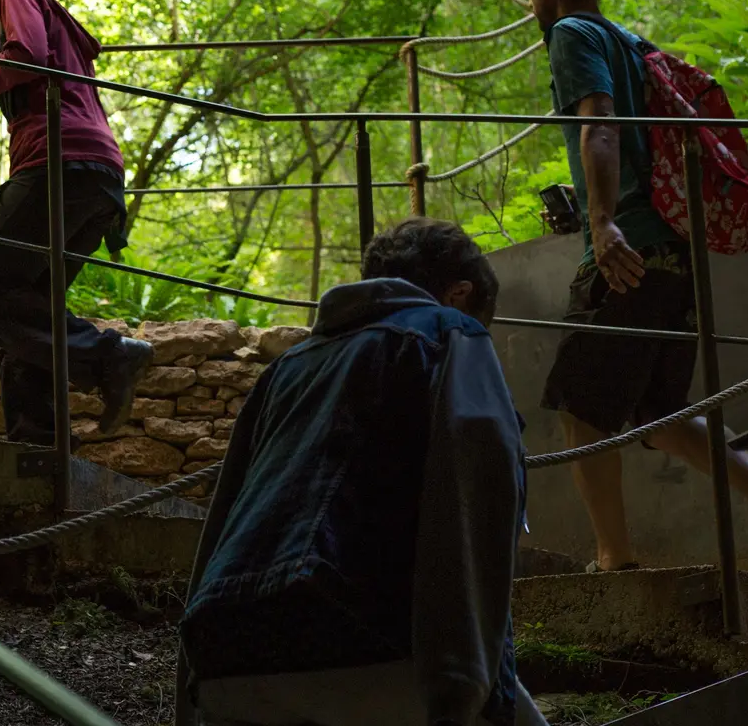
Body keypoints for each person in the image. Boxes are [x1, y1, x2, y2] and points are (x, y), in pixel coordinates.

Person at [519, 0, 748, 573]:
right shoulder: (630, 42)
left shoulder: (573, 35)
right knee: (654, 412)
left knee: (580, 408)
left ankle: (614, 558)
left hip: (629, 247)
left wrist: (600, 224)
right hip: (674, 254)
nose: (531, 3)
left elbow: (599, 128)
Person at [181, 218, 545, 726]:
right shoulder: (451, 333)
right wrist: (463, 685)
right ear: (460, 294)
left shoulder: (287, 368)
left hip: (225, 653)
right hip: (356, 642)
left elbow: (224, 517)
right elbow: (473, 499)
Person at [0, 0, 153, 444]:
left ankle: (109, 356)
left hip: (60, 163)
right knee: (28, 311)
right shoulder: (62, 28)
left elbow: (25, 57)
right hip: (97, 174)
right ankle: (37, 443)